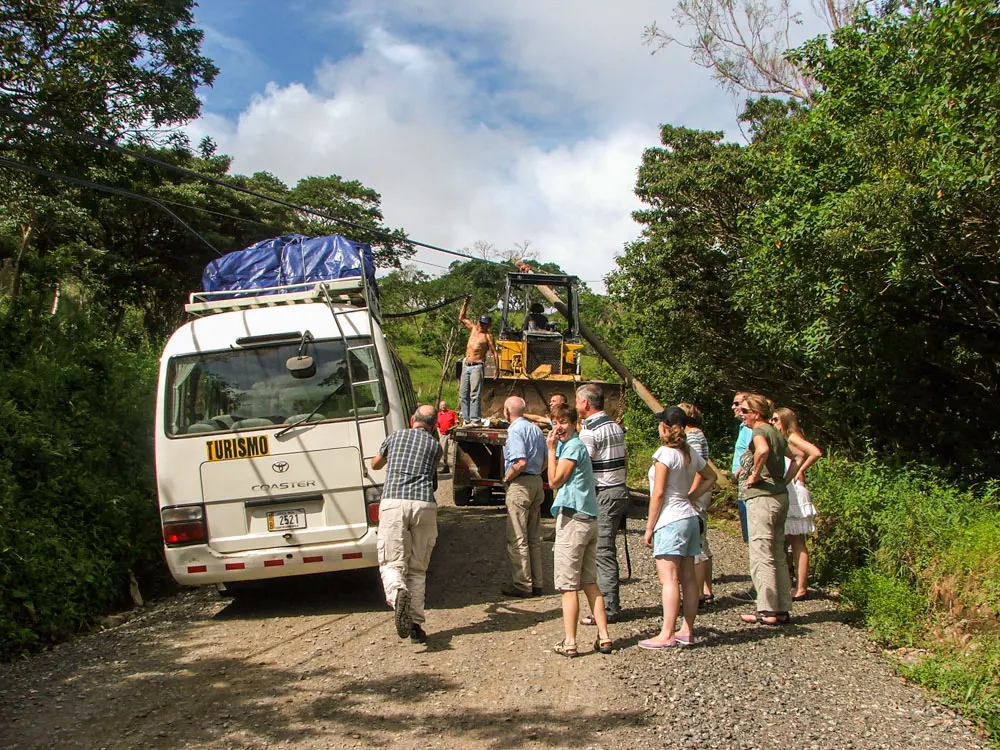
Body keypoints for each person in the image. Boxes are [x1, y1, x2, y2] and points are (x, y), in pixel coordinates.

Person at [639, 406, 717, 649]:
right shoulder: (690, 452)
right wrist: (690, 497)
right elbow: (711, 477)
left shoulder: (664, 454)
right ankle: (687, 630)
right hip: (689, 517)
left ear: (664, 426)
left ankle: (666, 634)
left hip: (670, 520)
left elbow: (659, 492)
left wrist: (649, 526)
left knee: (669, 579)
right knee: (689, 579)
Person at [371, 404, 443, 644]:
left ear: (412, 419)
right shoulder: (435, 446)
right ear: (433, 427)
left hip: (394, 502)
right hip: (423, 504)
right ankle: (415, 625)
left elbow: (376, 464)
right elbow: (432, 478)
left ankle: (397, 592)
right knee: (417, 568)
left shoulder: (395, 436)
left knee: (391, 562)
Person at [547, 403, 612, 657]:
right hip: (589, 518)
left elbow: (554, 481)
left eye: (563, 421)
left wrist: (550, 449)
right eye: (555, 421)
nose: (558, 426)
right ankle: (604, 637)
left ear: (575, 423)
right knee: (589, 581)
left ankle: (570, 642)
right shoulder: (571, 445)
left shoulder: (573, 446)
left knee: (568, 585)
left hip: (574, 521)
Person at [736, 394, 802, 626]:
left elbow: (762, 450)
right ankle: (782, 608)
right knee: (778, 554)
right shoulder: (776, 432)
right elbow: (799, 455)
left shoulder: (760, 432)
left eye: (745, 410)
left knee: (761, 554)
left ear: (756, 414)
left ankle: (766, 609)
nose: (741, 414)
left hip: (762, 498)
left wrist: (754, 475)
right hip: (779, 496)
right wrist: (784, 481)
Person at [576, 384, 629, 624]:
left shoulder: (589, 430)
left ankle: (608, 609)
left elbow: (582, 463)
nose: (576, 406)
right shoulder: (614, 426)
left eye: (577, 401)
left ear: (586, 404)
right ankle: (608, 604)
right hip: (618, 489)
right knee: (606, 549)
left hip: (604, 492)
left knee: (603, 551)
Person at [771, 407, 823, 600]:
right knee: (789, 540)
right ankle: (791, 583)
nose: (773, 423)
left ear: (785, 421)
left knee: (797, 541)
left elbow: (815, 452)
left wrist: (800, 469)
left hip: (795, 491)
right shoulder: (784, 438)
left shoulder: (791, 437)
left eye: (776, 419)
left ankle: (801, 587)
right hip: (789, 489)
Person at [501, 396, 548, 598]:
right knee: (533, 538)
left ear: (506, 411)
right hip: (537, 481)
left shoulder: (514, 431)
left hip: (521, 483)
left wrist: (507, 478)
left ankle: (522, 584)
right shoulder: (536, 430)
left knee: (517, 537)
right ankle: (537, 582)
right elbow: (546, 459)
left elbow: (520, 462)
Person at [677, 402, 714, 605]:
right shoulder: (697, 434)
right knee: (703, 541)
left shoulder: (693, 436)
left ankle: (698, 592)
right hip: (700, 492)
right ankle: (706, 588)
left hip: (696, 493)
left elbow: (701, 467)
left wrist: (691, 493)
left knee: (697, 542)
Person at [458, 296, 498, 424]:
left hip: (477, 365)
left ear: (488, 325)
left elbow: (494, 353)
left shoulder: (487, 336)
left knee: (474, 393)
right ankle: (466, 419)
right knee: (463, 394)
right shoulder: (473, 329)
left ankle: (475, 418)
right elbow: (462, 318)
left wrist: (497, 370)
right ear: (479, 322)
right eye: (481, 323)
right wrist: (466, 302)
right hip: (466, 365)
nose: (482, 326)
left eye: (485, 324)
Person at [731, 391, 753, 543]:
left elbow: (753, 450)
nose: (733, 407)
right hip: (742, 479)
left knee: (750, 523)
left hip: (746, 479)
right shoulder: (742, 427)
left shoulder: (749, 428)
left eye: (737, 404)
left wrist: (738, 471)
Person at [436, 400, 458, 473]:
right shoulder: (438, 414)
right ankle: (445, 468)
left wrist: (453, 430)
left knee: (451, 451)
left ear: (446, 405)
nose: (443, 406)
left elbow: (457, 423)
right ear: (440, 406)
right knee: (443, 452)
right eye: (441, 405)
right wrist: (439, 434)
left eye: (444, 405)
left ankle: (453, 469)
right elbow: (437, 426)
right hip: (442, 435)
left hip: (450, 434)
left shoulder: (451, 413)